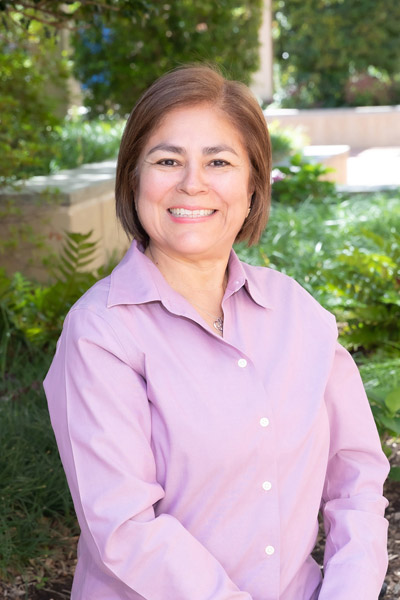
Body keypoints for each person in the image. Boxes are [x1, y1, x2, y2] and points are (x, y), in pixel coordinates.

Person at [44, 65, 389, 600]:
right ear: (134, 179)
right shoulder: (101, 332)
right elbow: (125, 526)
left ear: (253, 183)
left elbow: (356, 482)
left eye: (219, 161)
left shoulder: (298, 314)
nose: (192, 183)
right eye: (167, 160)